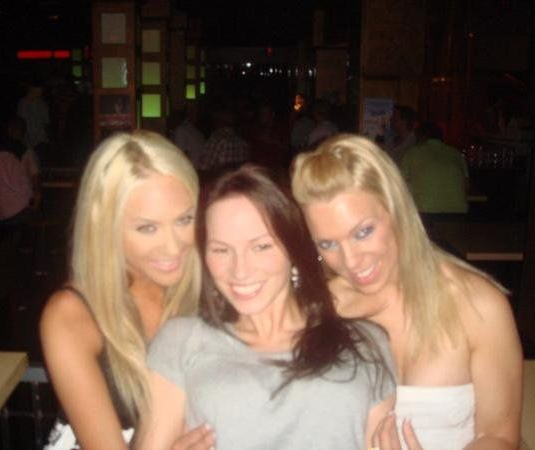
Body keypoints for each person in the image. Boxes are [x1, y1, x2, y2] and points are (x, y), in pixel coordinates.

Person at [137, 165, 396, 450]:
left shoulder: (366, 342)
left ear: (293, 249)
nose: (240, 270)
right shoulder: (182, 341)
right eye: (221, 250)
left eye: (261, 247)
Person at [291, 134, 523, 450]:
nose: (351, 261)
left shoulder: (478, 304)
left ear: (396, 209)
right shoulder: (318, 309)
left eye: (363, 232)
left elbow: (499, 435)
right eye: (327, 244)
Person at [40, 130, 214, 450]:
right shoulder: (71, 315)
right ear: (104, 224)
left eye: (184, 219)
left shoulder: (211, 279)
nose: (174, 246)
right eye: (147, 227)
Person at [400, 121, 468, 229]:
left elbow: (400, 186)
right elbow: (466, 185)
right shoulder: (456, 154)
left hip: (424, 217)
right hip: (459, 216)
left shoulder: (412, 153)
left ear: (419, 137)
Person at [0, 117, 38, 225]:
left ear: (9, 129)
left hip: (1, 210)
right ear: (23, 132)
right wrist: (36, 201)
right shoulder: (25, 150)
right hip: (22, 205)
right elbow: (35, 178)